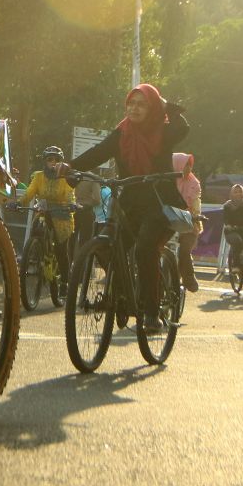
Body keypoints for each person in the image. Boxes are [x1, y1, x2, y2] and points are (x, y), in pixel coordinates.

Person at [57, 83, 189, 332]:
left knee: (145, 248)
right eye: (131, 103)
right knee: (104, 247)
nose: (135, 108)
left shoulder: (165, 130)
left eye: (142, 104)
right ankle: (122, 296)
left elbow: (184, 126)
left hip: (159, 202)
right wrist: (71, 166)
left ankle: (151, 313)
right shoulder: (121, 133)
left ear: (152, 108)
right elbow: (98, 152)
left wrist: (164, 105)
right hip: (129, 203)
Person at [16, 146, 77, 289]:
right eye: (50, 159)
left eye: (56, 160)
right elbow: (29, 193)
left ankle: (64, 282)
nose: (53, 162)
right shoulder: (38, 177)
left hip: (61, 214)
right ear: (45, 162)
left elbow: (70, 193)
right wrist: (18, 203)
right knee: (35, 229)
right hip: (44, 212)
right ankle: (36, 254)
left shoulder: (65, 177)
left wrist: (72, 204)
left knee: (61, 249)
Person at [173, 152, 203, 292]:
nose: (188, 169)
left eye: (190, 166)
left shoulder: (194, 184)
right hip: (167, 222)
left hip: (189, 223)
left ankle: (189, 278)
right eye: (185, 166)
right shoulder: (166, 182)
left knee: (184, 251)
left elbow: (196, 205)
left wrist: (195, 216)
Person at [222, 184, 243, 279]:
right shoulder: (227, 206)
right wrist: (229, 225)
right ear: (231, 194)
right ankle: (235, 265)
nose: (238, 193)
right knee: (237, 241)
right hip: (231, 231)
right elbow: (225, 219)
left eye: (240, 191)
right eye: (235, 192)